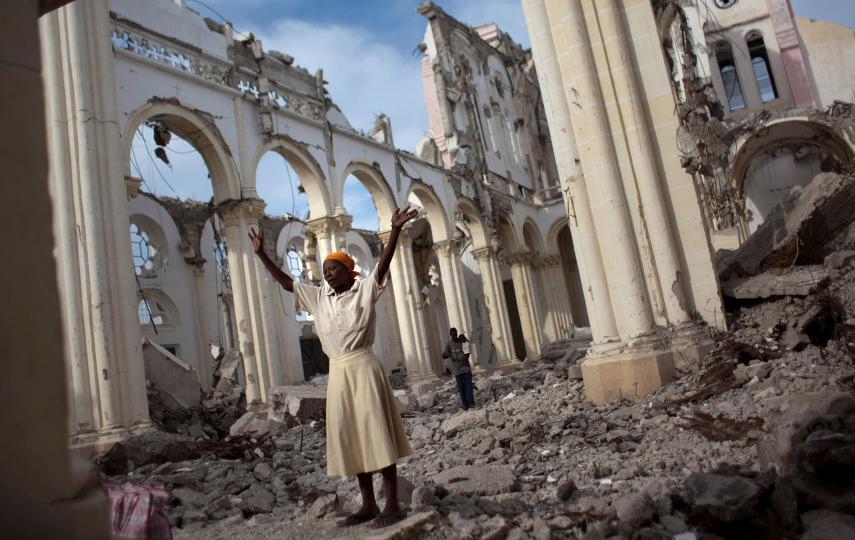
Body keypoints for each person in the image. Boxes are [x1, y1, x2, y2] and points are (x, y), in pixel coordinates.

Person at [248, 206, 419, 528]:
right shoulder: (319, 298)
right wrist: (261, 255)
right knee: (352, 437)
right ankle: (368, 503)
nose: (327, 273)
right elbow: (287, 282)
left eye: (333, 269)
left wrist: (394, 231)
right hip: (338, 371)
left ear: (348, 271)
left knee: (377, 434)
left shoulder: (364, 289)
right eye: (325, 270)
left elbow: (383, 265)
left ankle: (393, 503)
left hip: (364, 367)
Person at [442, 328, 475, 410]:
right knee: (461, 388)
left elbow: (467, 354)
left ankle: (471, 403)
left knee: (468, 387)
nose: (454, 336)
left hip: (465, 369)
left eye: (455, 334)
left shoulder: (463, 341)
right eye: (452, 335)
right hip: (457, 371)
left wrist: (466, 341)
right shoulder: (449, 344)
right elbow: (443, 355)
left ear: (457, 334)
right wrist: (449, 354)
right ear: (450, 335)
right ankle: (465, 404)